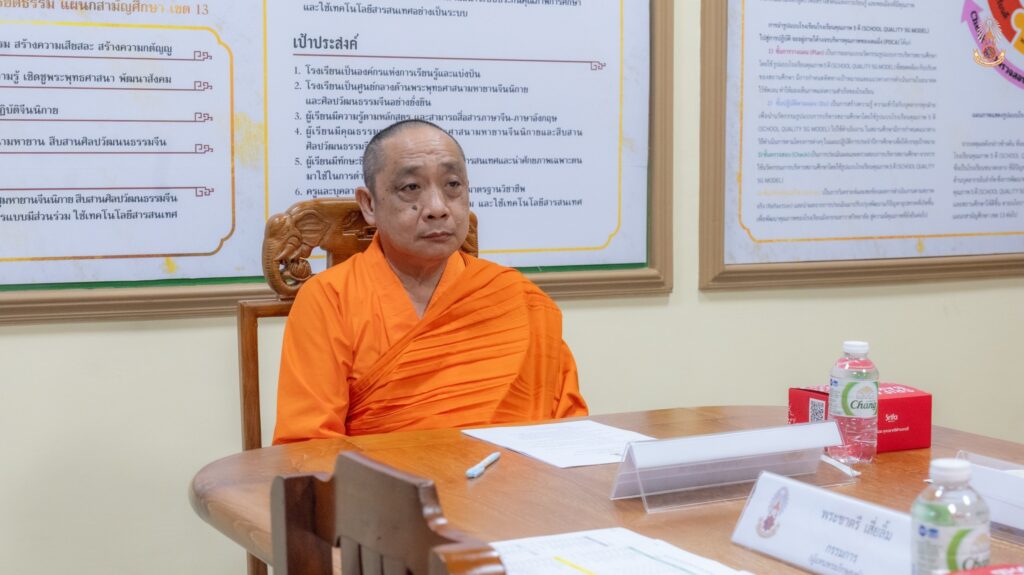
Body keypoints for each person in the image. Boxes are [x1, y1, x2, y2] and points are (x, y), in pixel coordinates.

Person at [272, 119, 587, 444]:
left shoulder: (517, 298)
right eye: (411, 187)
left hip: (510, 476)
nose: (438, 208)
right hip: (383, 478)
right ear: (369, 204)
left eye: (453, 185)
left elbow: (570, 436)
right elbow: (309, 449)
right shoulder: (330, 299)